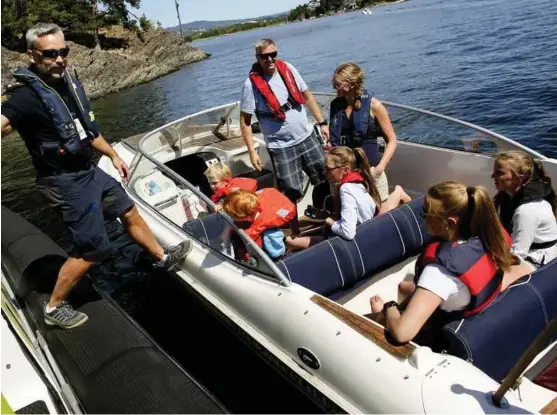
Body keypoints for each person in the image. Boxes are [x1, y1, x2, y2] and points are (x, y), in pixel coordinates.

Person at [0, 23, 192, 329]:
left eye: (64, 51)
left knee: (127, 210)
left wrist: (113, 154)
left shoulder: (63, 85)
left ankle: (160, 255)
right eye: (51, 54)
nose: (60, 59)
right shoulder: (24, 97)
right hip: (64, 182)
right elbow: (4, 124)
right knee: (93, 248)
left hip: (87, 171)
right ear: (32, 54)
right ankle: (54, 308)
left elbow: (86, 133)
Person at [368, 181, 513, 345]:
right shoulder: (491, 239)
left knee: (378, 316)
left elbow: (402, 333)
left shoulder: (440, 272)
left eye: (426, 213)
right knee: (403, 286)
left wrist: (389, 307)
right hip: (467, 307)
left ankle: (382, 314)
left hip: (435, 332)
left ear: (450, 223)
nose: (422, 217)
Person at [239, 38, 329, 234]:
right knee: (290, 193)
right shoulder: (250, 85)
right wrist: (252, 152)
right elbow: (245, 121)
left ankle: (325, 217)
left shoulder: (288, 69)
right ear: (257, 58)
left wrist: (322, 123)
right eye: (265, 56)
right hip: (281, 147)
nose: (270, 59)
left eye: (273, 54)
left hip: (306, 137)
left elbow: (307, 96)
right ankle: (295, 232)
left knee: (324, 178)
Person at [286, 146, 410, 250]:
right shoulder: (355, 182)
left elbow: (348, 232)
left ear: (345, 170)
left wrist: (331, 222)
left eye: (328, 169)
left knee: (290, 241)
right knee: (308, 235)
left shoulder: (346, 190)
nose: (325, 172)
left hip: (361, 235)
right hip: (367, 225)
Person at [329, 62, 398, 202]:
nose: (334, 88)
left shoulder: (375, 106)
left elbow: (392, 140)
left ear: (352, 84)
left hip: (371, 171)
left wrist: (379, 169)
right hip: (345, 172)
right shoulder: (336, 106)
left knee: (379, 214)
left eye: (338, 85)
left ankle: (399, 195)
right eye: (333, 83)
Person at [492, 150, 557, 280]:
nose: (493, 176)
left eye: (499, 173)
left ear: (518, 178)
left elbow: (517, 255)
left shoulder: (527, 211)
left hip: (538, 260)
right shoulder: (508, 197)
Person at [222, 188, 296, 261]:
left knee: (271, 239)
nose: (231, 217)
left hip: (276, 258)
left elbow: (276, 254)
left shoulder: (269, 232)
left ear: (244, 217)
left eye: (232, 216)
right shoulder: (250, 212)